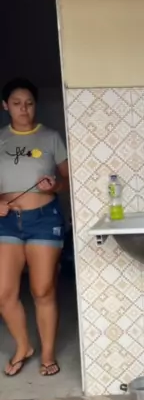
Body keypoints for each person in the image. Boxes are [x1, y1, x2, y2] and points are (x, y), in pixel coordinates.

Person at [0, 78, 69, 378]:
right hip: (6, 222)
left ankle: (48, 354)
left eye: (29, 103)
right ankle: (23, 347)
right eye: (17, 103)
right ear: (5, 106)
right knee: (3, 293)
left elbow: (69, 180)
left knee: (42, 289)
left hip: (43, 219)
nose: (24, 109)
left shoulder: (51, 137)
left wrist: (55, 185)